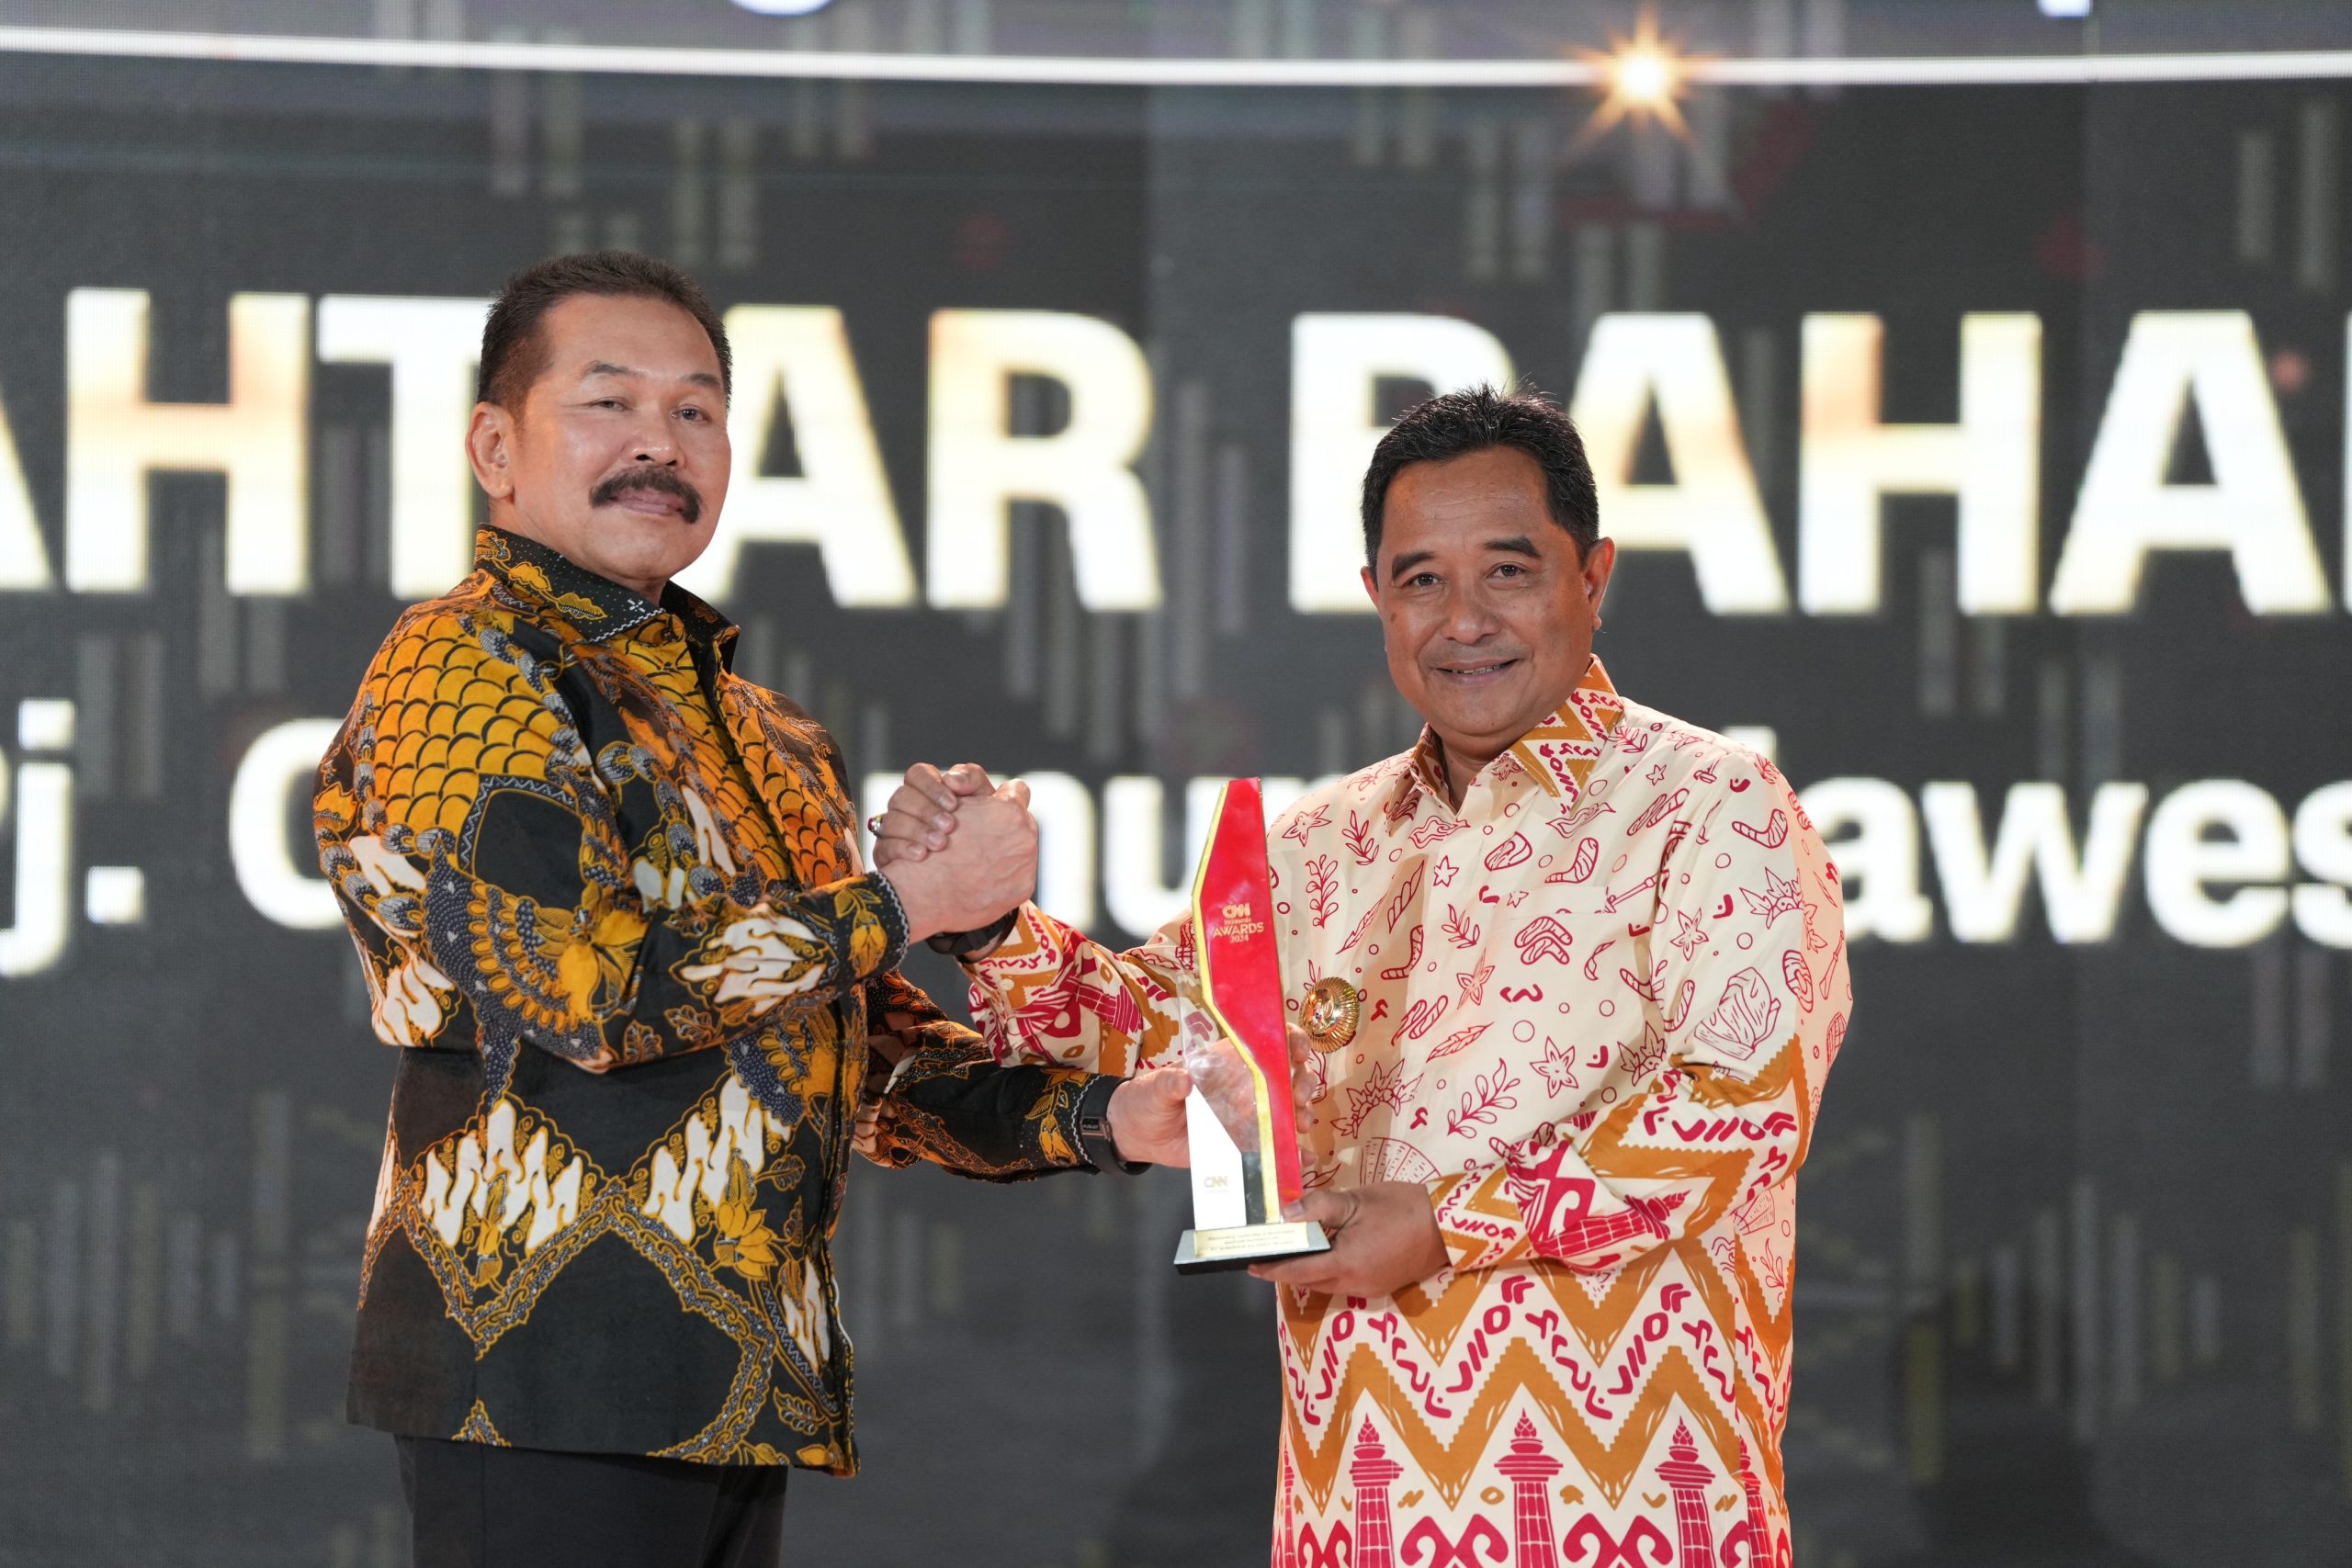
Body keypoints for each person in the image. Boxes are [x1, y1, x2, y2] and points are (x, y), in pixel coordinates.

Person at [311, 250, 1193, 1568]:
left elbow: (869, 1064)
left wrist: (1109, 1117)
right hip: (537, 1374)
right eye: (608, 401)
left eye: (697, 410)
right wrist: (905, 897)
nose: (659, 444)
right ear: (495, 446)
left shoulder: (773, 736)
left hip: (738, 1383)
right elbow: (584, 991)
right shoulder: (464, 661)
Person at [875, 386, 1850, 1564]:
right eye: (1420, 578)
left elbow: (1741, 1107)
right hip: (1357, 1513)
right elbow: (1159, 1047)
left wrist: (1447, 1227)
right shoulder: (1316, 845)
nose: (1464, 620)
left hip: (1638, 1512)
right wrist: (987, 926)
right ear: (1376, 597)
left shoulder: (1711, 804)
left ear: (1592, 575)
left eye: (1508, 571)